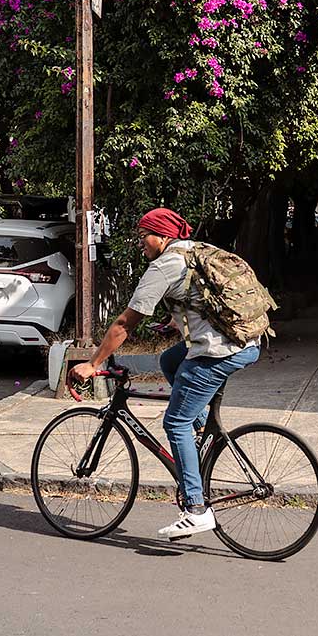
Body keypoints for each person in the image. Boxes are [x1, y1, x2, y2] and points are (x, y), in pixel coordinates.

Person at [69, 207, 261, 540]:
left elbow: (125, 323)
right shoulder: (193, 250)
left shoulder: (163, 265)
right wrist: (177, 322)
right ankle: (203, 426)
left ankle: (196, 509)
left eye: (144, 238)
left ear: (161, 236)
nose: (141, 244)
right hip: (246, 340)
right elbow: (202, 299)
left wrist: (94, 363)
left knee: (174, 422)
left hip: (219, 351)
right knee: (170, 361)